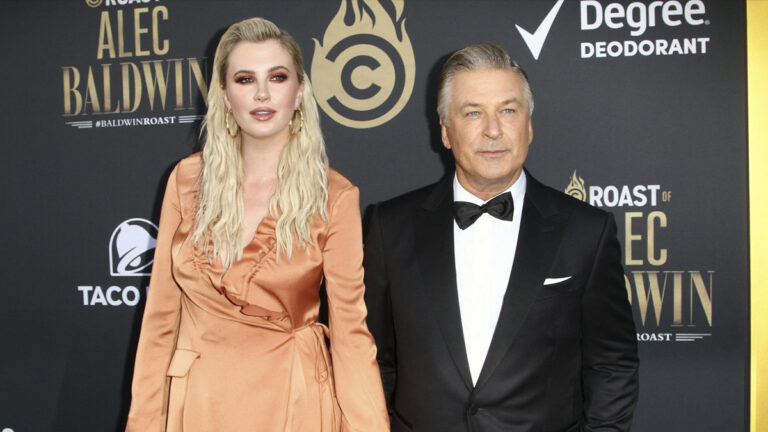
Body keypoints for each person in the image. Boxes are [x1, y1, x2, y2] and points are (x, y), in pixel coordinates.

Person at [125, 17, 389, 432]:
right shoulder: (186, 180)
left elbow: (352, 336)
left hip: (292, 402)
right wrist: (143, 424)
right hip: (199, 401)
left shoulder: (334, 197)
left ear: (300, 91)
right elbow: (160, 320)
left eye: (278, 77)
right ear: (226, 96)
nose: (263, 93)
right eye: (245, 79)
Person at [363, 43, 639, 432]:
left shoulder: (586, 231)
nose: (493, 130)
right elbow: (374, 359)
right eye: (472, 112)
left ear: (528, 125)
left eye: (508, 111)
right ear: (445, 131)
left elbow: (612, 364)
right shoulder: (389, 227)